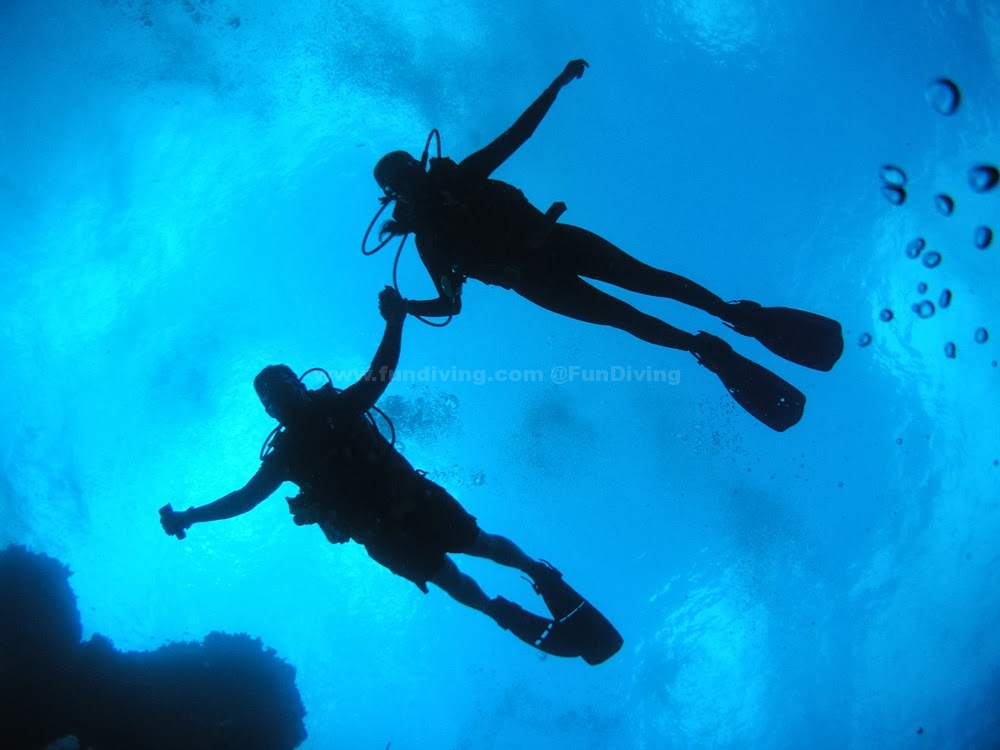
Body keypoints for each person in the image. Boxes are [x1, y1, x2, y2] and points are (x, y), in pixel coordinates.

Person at [371, 59, 844, 432]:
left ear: (419, 164)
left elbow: (518, 134)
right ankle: (706, 347)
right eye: (402, 179)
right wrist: (406, 307)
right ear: (396, 196)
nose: (411, 179)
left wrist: (557, 85)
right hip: (538, 278)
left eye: (408, 169)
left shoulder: (459, 183)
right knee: (628, 315)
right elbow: (451, 304)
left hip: (554, 248)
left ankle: (736, 316)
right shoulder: (430, 239)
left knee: (649, 283)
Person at [158, 287, 622, 665]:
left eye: (283, 389)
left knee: (478, 544)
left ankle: (534, 571)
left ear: (299, 385)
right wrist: (191, 516)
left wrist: (395, 323)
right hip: (381, 534)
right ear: (269, 411)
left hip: (414, 501)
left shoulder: (337, 408)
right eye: (272, 399)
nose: (280, 400)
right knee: (451, 578)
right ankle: (497, 609)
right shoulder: (287, 455)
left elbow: (378, 376)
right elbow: (244, 498)